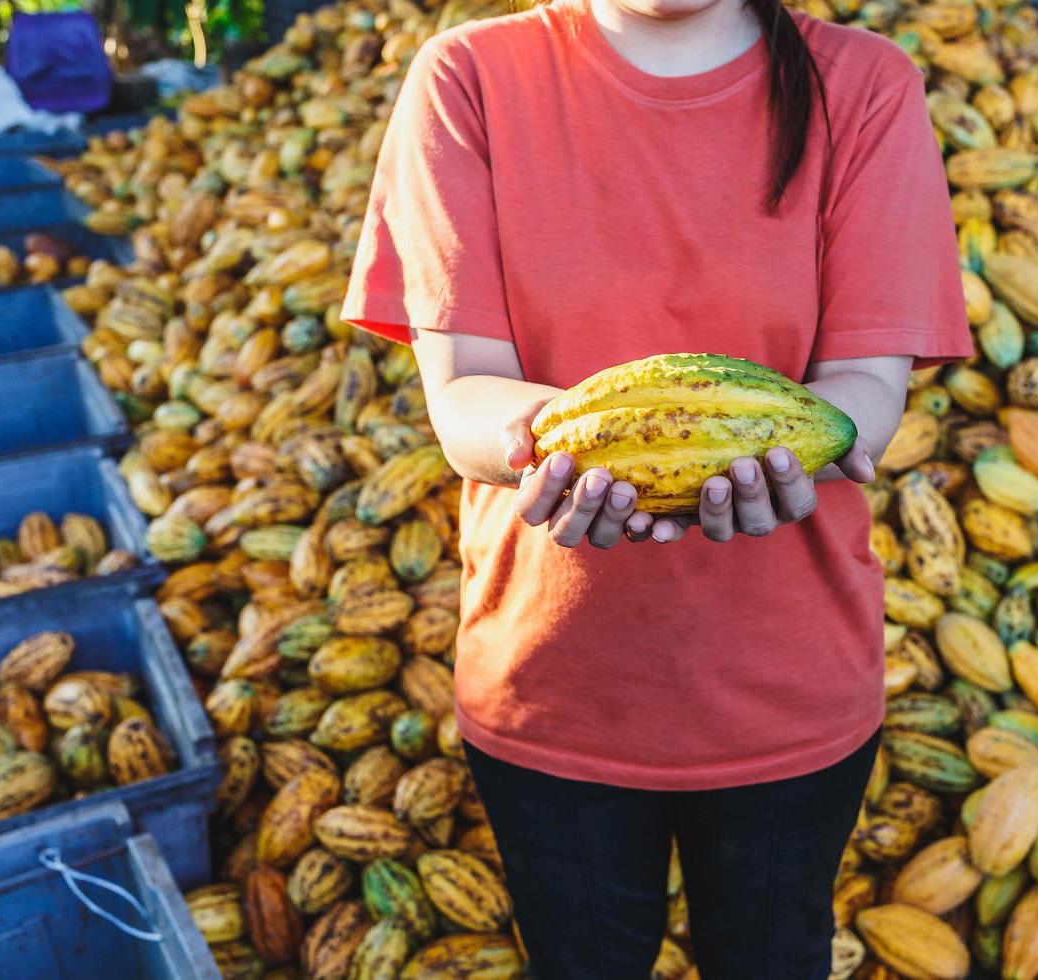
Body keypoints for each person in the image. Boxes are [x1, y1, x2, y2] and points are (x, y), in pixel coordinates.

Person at [341, 0, 970, 973]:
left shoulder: (866, 84)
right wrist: (558, 451)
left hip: (788, 691)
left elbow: (861, 398)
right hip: (551, 689)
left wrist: (774, 452)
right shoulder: (466, 77)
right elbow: (462, 391)